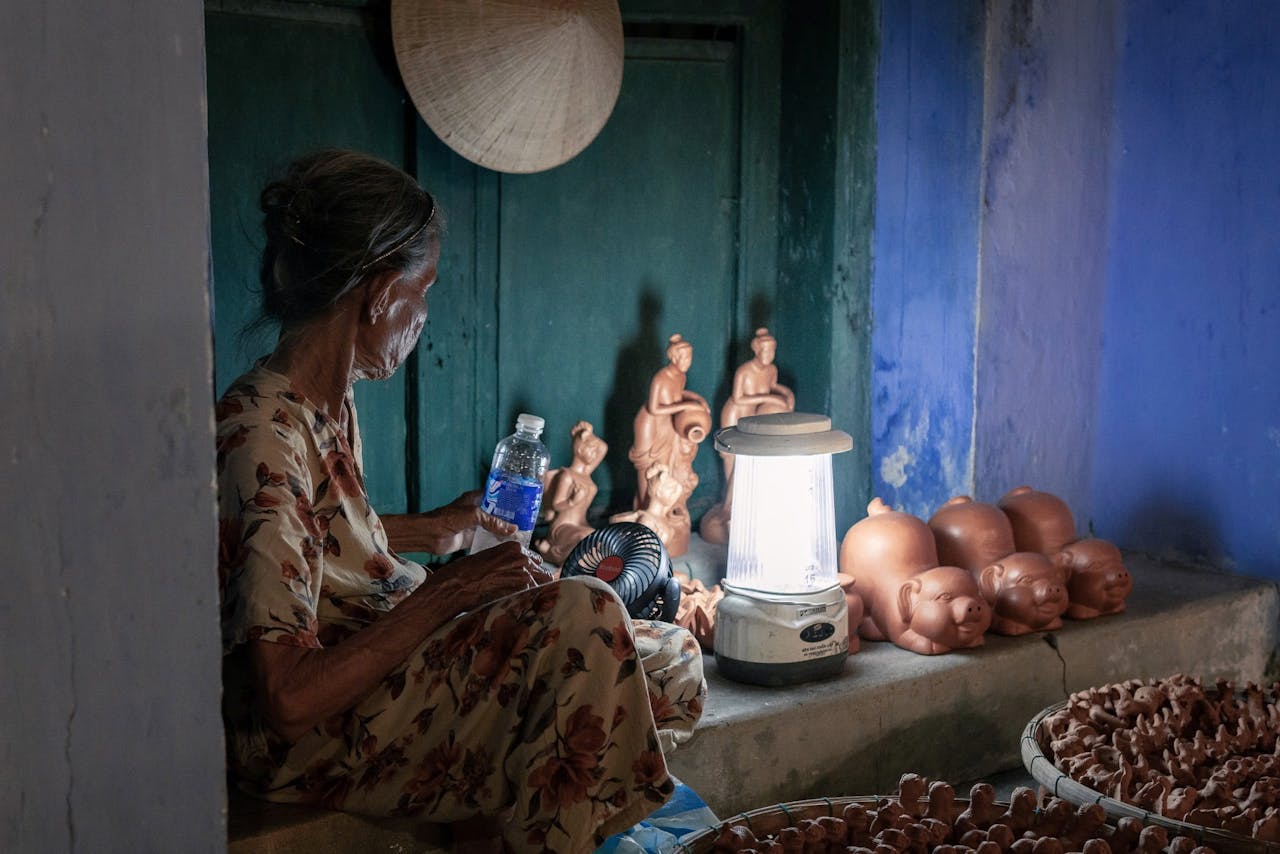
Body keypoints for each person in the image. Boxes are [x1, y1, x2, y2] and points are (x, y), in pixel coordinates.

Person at [215, 149, 705, 854]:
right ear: (382, 294)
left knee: (673, 661)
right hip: (320, 733)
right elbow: (287, 699)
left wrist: (427, 530)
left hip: (391, 663)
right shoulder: (262, 426)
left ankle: (501, 821)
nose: (423, 316)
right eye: (424, 291)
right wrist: (453, 592)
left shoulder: (328, 400)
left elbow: (310, 540)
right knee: (589, 619)